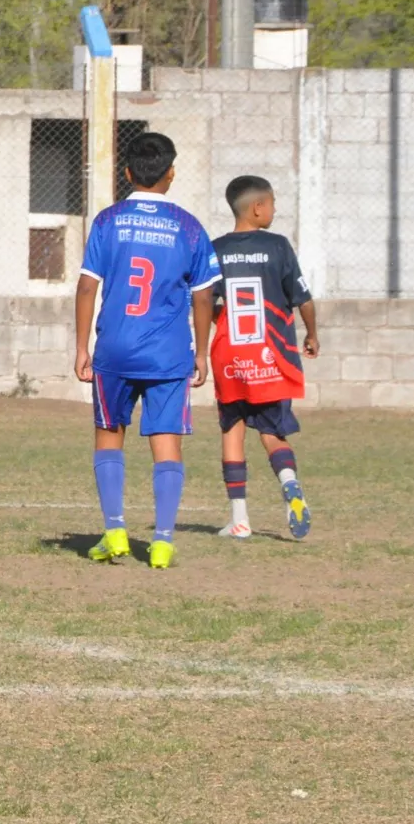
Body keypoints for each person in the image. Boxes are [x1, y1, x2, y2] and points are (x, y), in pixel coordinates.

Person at [74, 132, 220, 570]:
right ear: (171, 174)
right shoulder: (189, 227)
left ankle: (115, 530)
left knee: (108, 435)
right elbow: (203, 297)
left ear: (127, 173)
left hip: (114, 349)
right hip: (168, 353)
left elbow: (86, 286)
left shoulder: (107, 221)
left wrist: (81, 347)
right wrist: (202, 353)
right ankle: (161, 541)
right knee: (166, 444)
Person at [210, 175, 319, 540]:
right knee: (273, 432)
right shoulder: (277, 247)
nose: (273, 210)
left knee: (232, 430)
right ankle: (290, 486)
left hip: (231, 357)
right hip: (271, 357)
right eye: (272, 203)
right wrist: (312, 334)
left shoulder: (215, 249)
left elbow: (205, 302)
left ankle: (240, 519)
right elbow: (302, 297)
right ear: (258, 207)